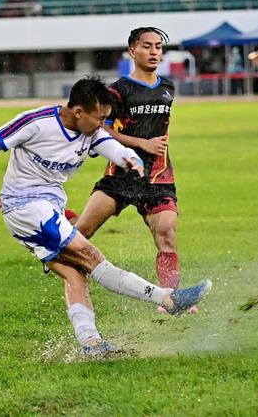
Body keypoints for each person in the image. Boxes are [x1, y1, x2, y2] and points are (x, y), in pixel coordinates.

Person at [0, 77, 212, 355]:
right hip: (25, 207)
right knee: (91, 257)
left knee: (76, 275)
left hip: (50, 207)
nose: (102, 125)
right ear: (78, 112)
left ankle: (91, 344)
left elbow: (115, 148)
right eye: (99, 119)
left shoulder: (90, 131)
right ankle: (168, 299)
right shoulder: (37, 121)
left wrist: (131, 160)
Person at [70, 27, 193, 314]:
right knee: (81, 233)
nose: (154, 52)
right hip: (120, 175)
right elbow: (102, 127)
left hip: (158, 176)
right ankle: (54, 238)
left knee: (166, 233)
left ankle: (173, 299)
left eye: (159, 47)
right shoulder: (117, 91)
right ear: (132, 51)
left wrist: (153, 148)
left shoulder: (168, 88)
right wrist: (141, 143)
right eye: (147, 46)